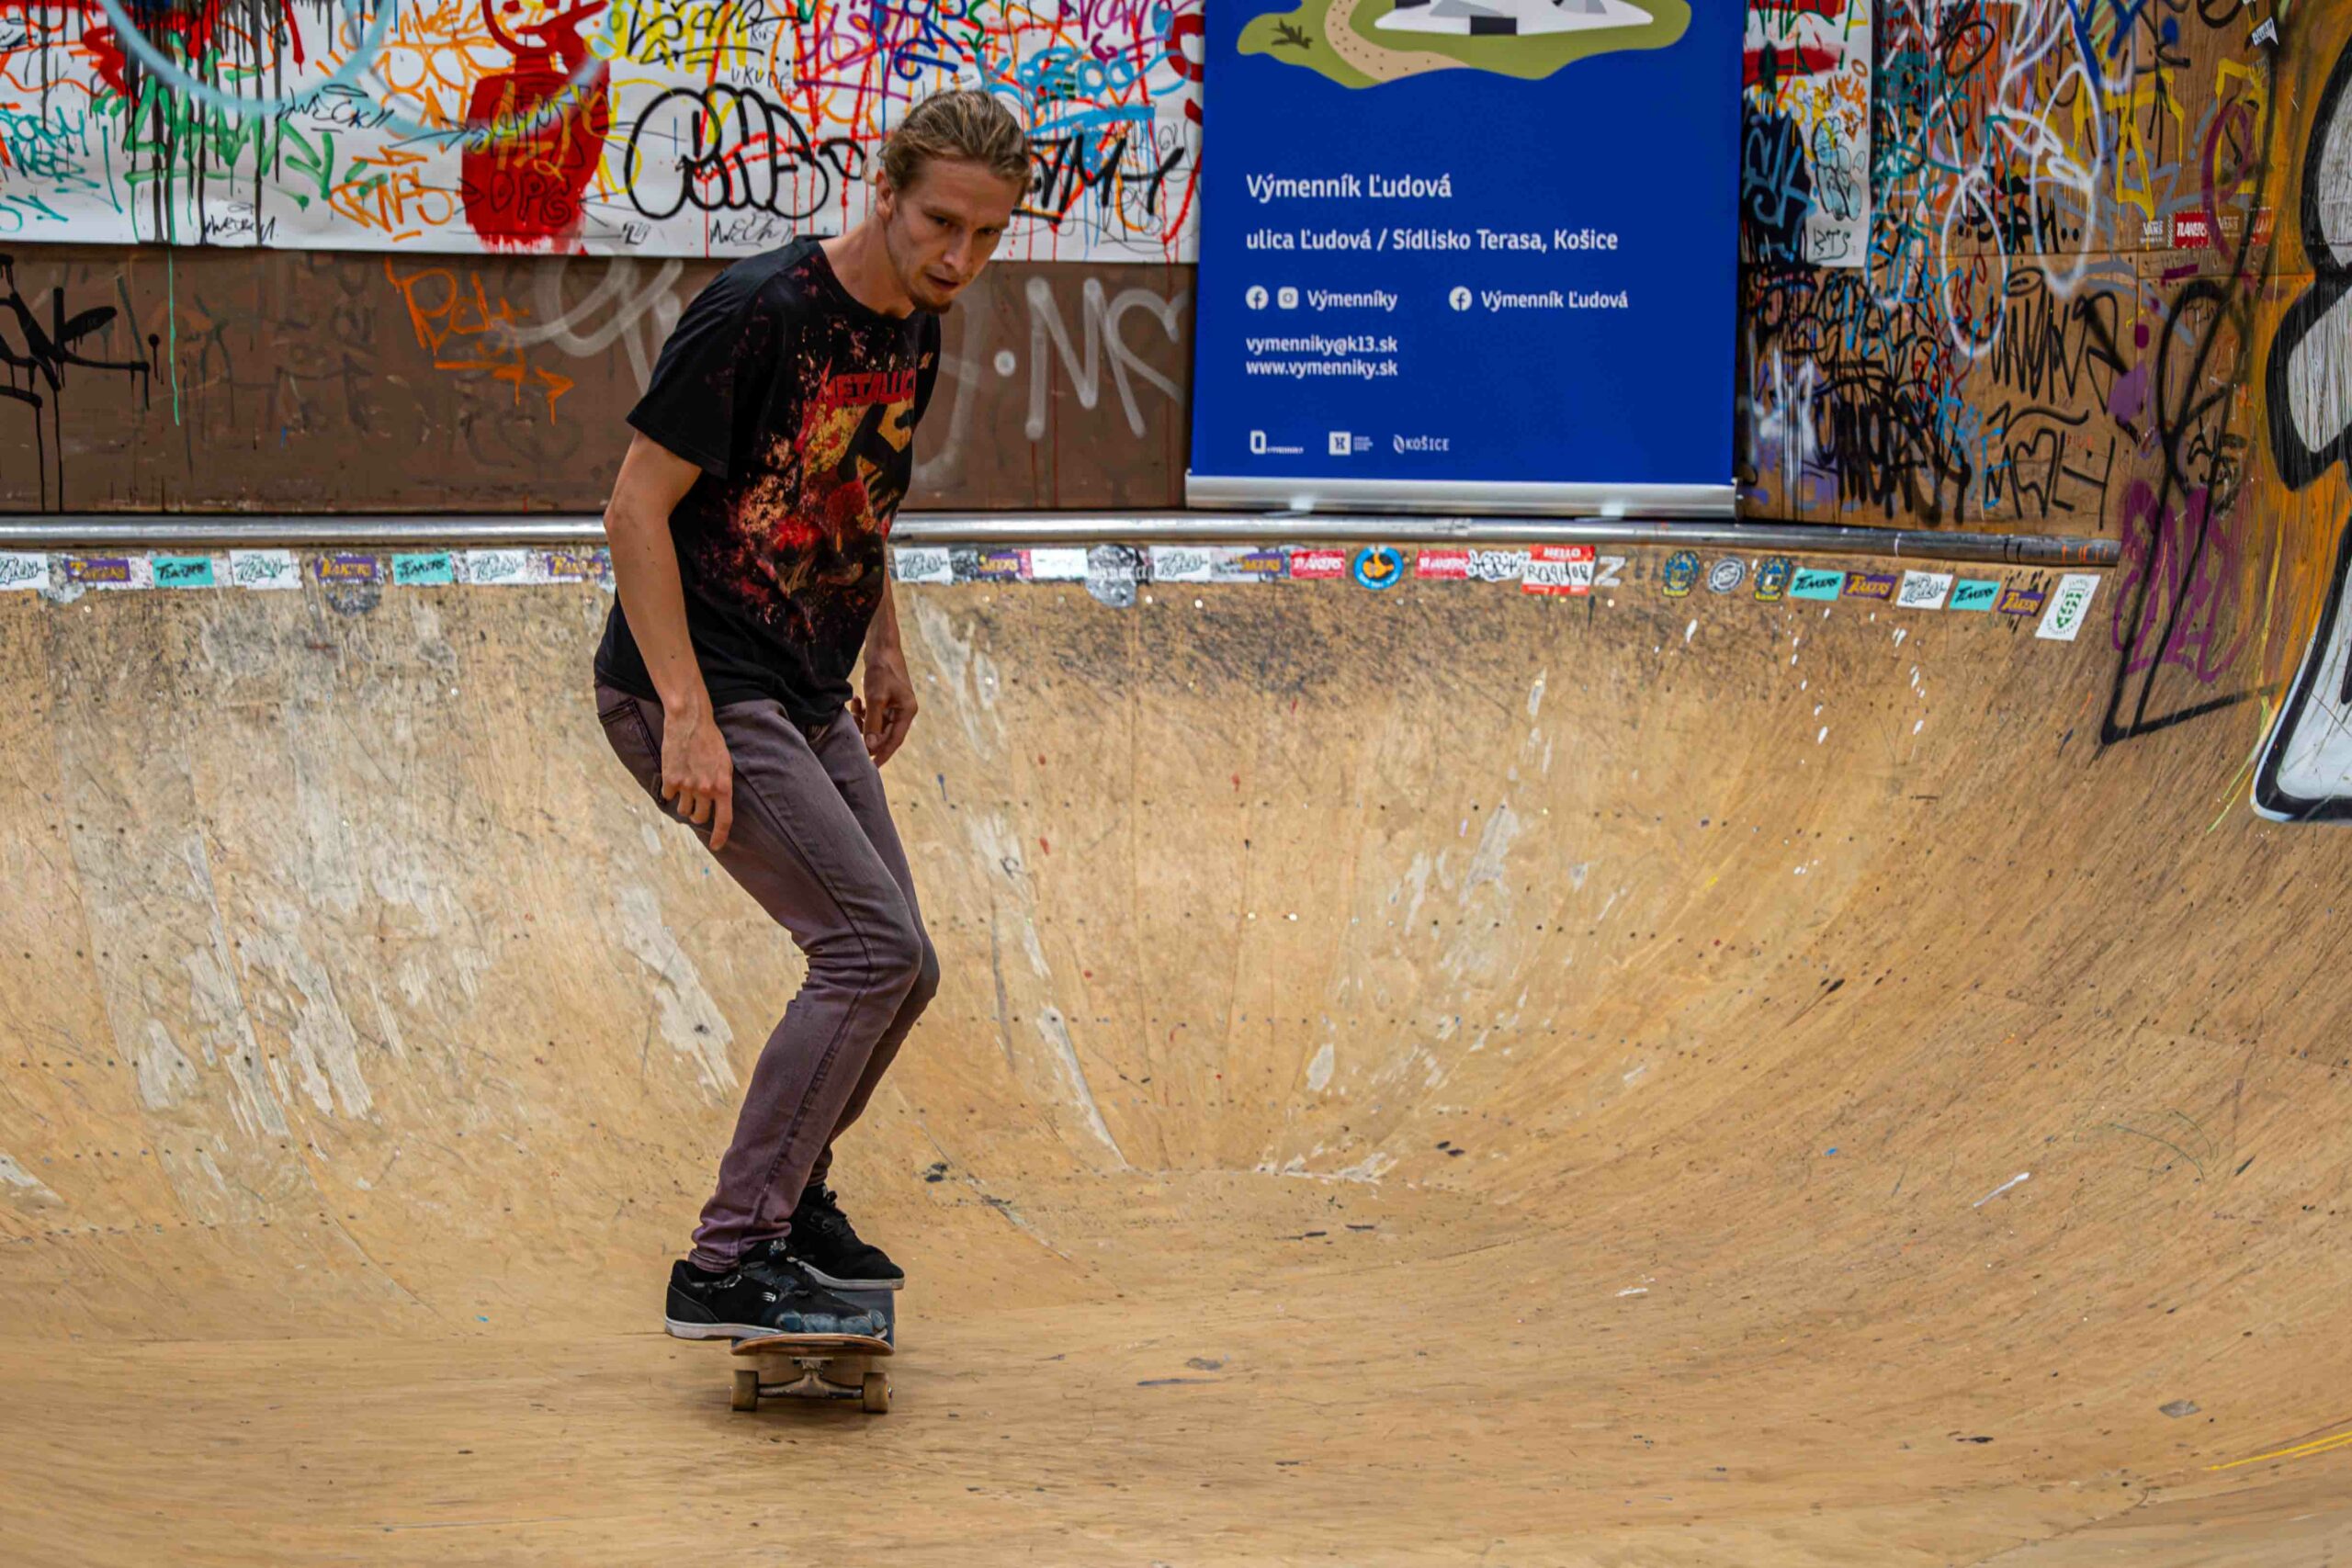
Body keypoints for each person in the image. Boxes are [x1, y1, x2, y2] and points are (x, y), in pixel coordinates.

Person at [590, 90, 1028, 1340]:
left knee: (907, 967)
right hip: (698, 686)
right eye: (940, 223)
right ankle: (727, 1259)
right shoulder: (758, 314)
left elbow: (858, 500)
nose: (959, 257)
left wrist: (884, 648)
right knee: (866, 950)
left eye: (987, 236)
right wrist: (685, 712)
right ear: (883, 192)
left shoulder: (914, 329)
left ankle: (789, 1205)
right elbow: (631, 509)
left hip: (807, 685)